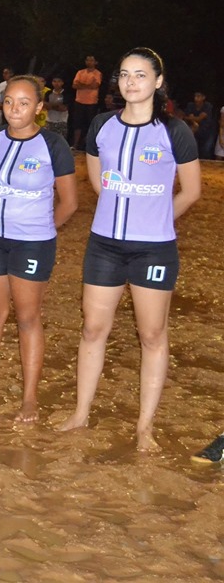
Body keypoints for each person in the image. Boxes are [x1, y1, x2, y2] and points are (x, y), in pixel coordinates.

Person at [57, 48, 201, 451]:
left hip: (154, 251)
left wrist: (156, 221)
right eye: (123, 75)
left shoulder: (175, 131)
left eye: (140, 75)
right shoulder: (102, 126)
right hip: (104, 245)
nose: (130, 82)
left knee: (152, 334)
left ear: (158, 81)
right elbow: (101, 184)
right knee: (92, 329)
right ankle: (81, 413)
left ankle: (144, 427)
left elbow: (191, 192)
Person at [0, 75, 78, 422]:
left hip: (33, 243)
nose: (14, 109)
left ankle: (29, 400)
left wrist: (40, 229)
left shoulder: (53, 145)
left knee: (27, 318)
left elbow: (69, 202)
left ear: (38, 108)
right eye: (9, 101)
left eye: (24, 103)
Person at [71, 55, 102, 150]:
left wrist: (81, 84)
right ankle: (75, 145)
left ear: (96, 62)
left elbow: (95, 85)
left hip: (91, 102)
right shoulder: (80, 72)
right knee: (77, 124)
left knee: (90, 125)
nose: (89, 62)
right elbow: (74, 85)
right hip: (79, 101)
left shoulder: (97, 73)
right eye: (88, 60)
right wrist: (87, 85)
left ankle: (88, 146)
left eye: (91, 60)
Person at [183, 91, 216, 159]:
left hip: (208, 131)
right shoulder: (190, 105)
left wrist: (190, 118)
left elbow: (199, 118)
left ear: (203, 97)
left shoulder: (207, 105)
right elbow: (190, 117)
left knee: (206, 151)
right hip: (196, 131)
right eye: (195, 96)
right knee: (194, 150)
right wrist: (193, 121)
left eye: (198, 96)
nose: (196, 98)